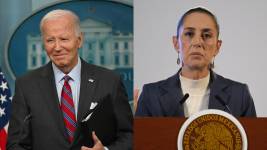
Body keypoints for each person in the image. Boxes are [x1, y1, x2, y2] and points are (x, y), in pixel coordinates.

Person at [7, 9, 133, 150]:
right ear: (44, 44)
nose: (57, 47)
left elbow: (129, 136)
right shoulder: (26, 85)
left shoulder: (110, 81)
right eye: (50, 40)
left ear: (79, 40)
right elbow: (14, 144)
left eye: (64, 39)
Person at [135, 7, 256, 117]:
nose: (197, 42)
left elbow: (252, 140)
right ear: (176, 43)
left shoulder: (239, 95)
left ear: (217, 47)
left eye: (207, 35)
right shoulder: (151, 95)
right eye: (189, 34)